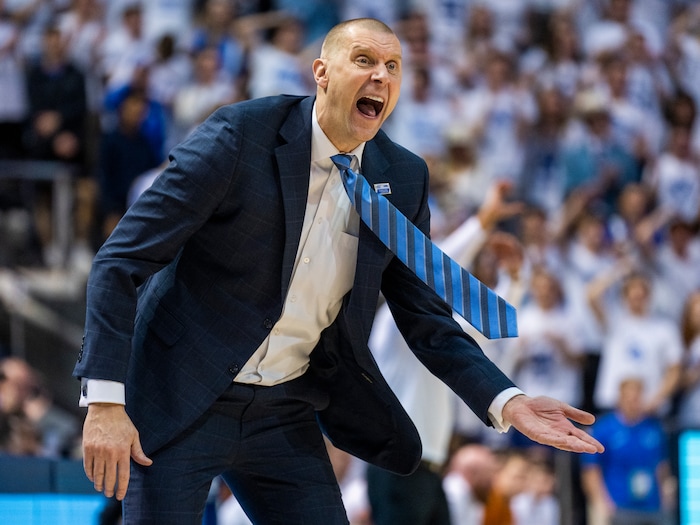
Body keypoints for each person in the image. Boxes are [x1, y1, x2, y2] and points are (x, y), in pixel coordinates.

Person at [74, 18, 603, 524]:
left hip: (282, 405)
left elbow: (427, 319)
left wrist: (508, 401)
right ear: (321, 72)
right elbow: (121, 260)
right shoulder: (240, 135)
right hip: (180, 390)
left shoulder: (403, 176)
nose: (381, 76)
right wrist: (104, 402)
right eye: (365, 60)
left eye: (393, 67)